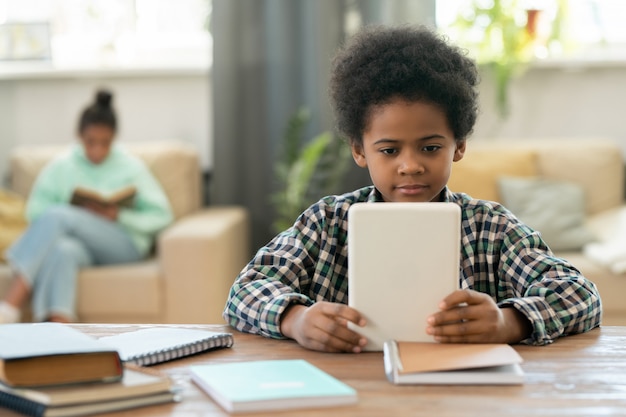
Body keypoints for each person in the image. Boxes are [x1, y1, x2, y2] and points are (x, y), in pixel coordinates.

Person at [223, 25, 602, 353]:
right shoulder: (325, 224)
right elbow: (245, 290)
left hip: (459, 391)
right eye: (389, 150)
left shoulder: (492, 229)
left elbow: (580, 295)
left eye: (431, 147)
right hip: (351, 388)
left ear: (459, 145)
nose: (410, 165)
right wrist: (297, 320)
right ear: (359, 149)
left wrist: (509, 323)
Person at [0, 89, 173, 324]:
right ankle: (58, 332)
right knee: (63, 250)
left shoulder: (131, 166)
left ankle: (9, 306)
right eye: (91, 142)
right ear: (79, 136)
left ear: (114, 138)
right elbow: (35, 212)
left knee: (60, 216)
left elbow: (162, 215)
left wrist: (118, 216)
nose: (98, 151)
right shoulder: (61, 166)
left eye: (105, 143)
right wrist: (78, 218)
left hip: (123, 246)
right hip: (80, 247)